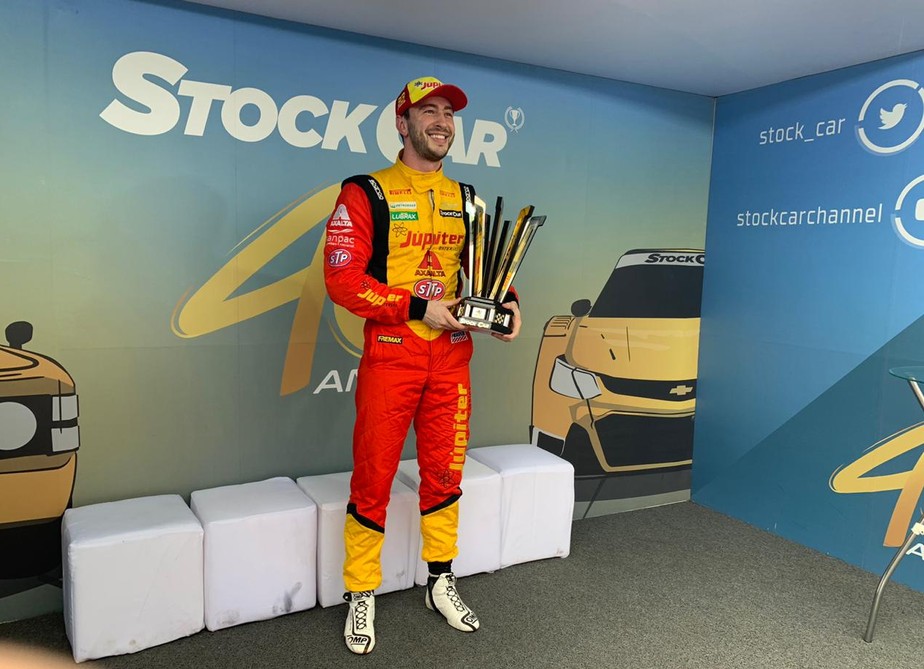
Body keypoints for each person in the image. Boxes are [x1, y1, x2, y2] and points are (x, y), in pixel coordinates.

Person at [323, 75, 521, 654]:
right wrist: (418, 307)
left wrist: (505, 309)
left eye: (449, 114)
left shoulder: (470, 199)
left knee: (444, 474)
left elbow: (493, 273)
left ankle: (441, 579)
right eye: (428, 111)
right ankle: (362, 591)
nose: (441, 122)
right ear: (401, 122)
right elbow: (341, 280)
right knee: (375, 476)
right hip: (393, 356)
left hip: (453, 360)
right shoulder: (366, 192)